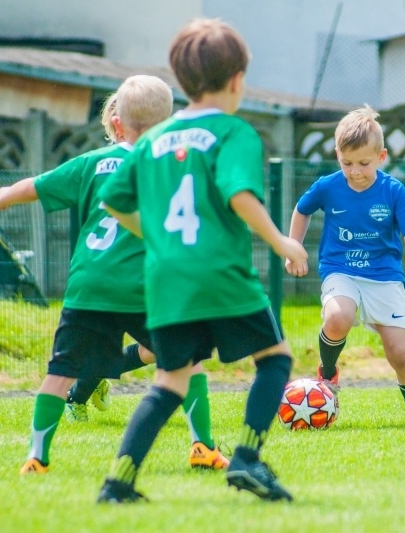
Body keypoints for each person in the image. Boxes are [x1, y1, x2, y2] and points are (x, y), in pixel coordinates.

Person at [95, 18, 308, 504]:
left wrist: (160, 239)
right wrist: (280, 241)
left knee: (170, 380)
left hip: (168, 280)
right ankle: (248, 459)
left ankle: (118, 483)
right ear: (237, 79)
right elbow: (239, 195)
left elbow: (112, 199)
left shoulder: (150, 140)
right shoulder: (234, 133)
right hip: (221, 274)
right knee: (274, 360)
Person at [0, 75, 228, 476]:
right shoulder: (173, 166)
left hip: (89, 288)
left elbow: (31, 187)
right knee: (186, 364)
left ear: (116, 123)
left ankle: (37, 456)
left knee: (60, 374)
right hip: (146, 290)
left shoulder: (91, 165)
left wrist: (2, 197)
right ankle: (202, 447)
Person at [285, 105, 405, 426]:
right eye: (347, 162)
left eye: (364, 163)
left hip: (385, 276)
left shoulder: (393, 190)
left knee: (398, 353)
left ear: (381, 157)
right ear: (337, 154)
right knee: (338, 316)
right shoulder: (328, 186)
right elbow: (301, 210)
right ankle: (327, 373)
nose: (355, 171)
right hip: (340, 269)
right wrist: (294, 247)